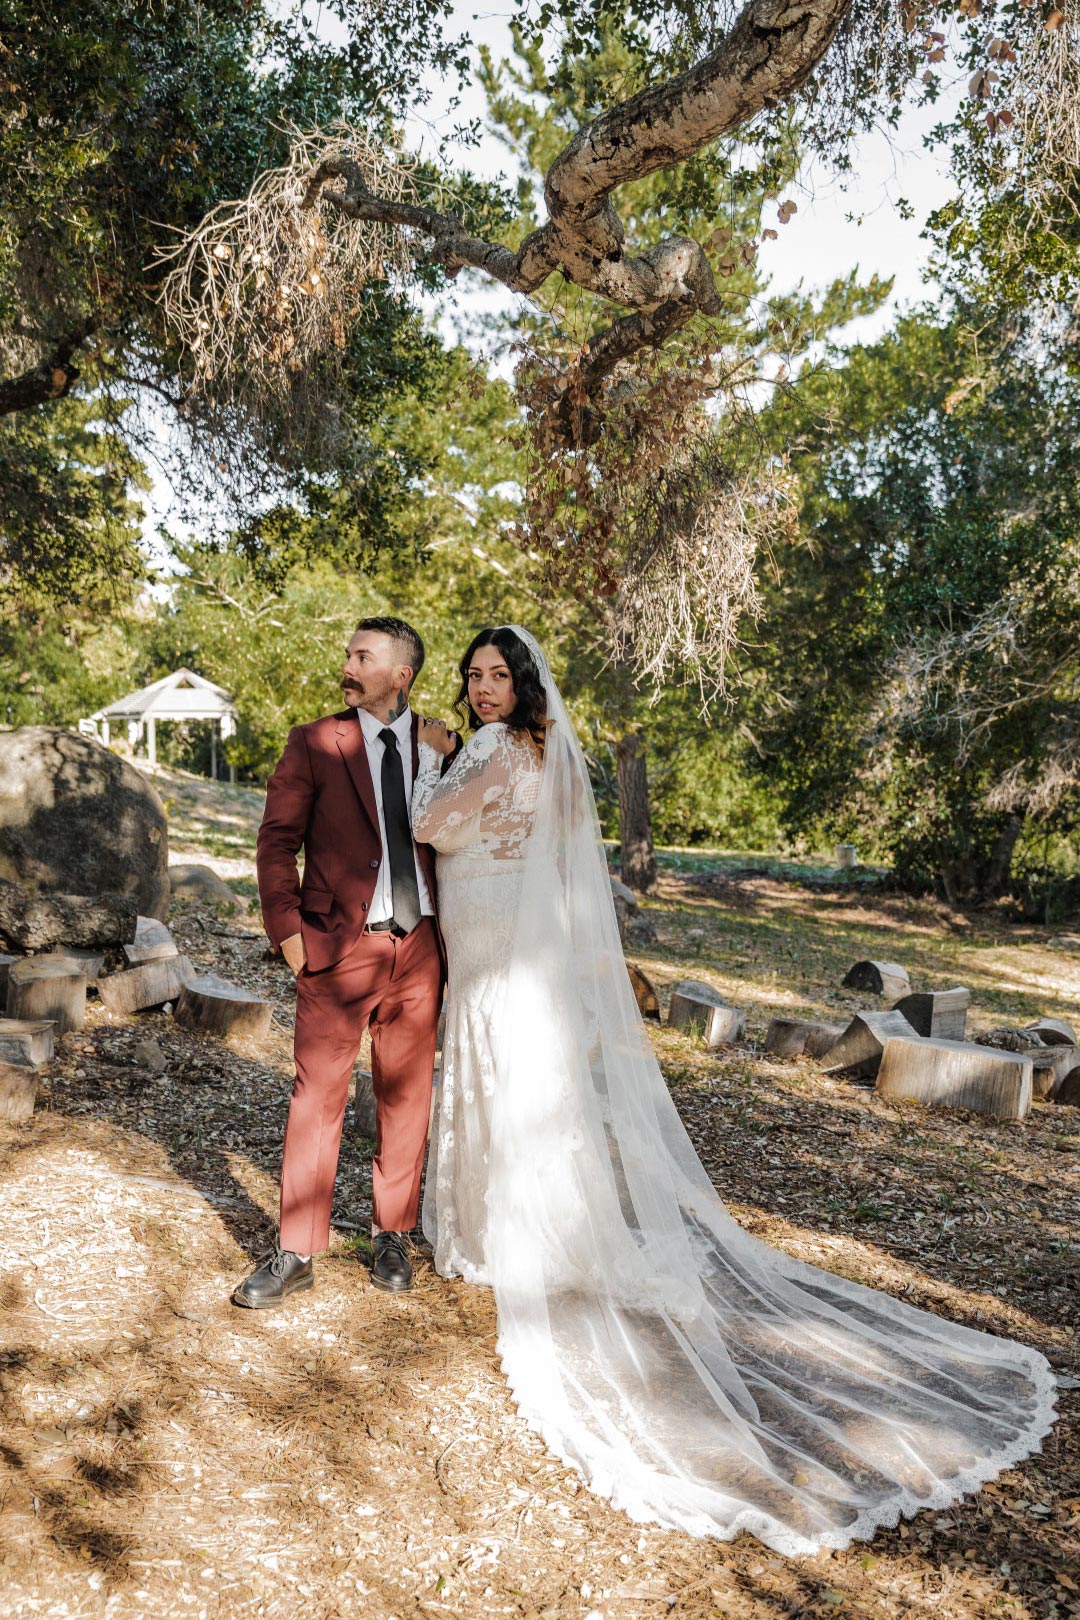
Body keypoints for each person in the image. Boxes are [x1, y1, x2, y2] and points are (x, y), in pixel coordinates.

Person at [409, 623, 1058, 1555]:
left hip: (492, 934)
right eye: (473, 676)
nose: (480, 688)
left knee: (497, 1065)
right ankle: (515, 1217)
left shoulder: (492, 746)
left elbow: (434, 825)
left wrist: (431, 761)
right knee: (523, 1073)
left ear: (525, 686)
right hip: (507, 929)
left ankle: (494, 1228)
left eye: (496, 675)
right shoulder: (544, 751)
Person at [234, 615, 457, 1308]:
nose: (348, 665)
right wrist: (289, 934)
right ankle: (297, 1249)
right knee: (317, 1097)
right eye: (348, 654)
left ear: (402, 674)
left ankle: (392, 1232)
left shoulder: (442, 747)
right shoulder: (314, 743)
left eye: (364, 656)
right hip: (337, 947)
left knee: (406, 1094)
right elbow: (276, 842)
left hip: (420, 948)